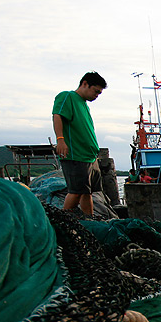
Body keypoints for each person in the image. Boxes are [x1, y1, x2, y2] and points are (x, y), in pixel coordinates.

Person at [53, 71, 107, 215]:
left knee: (86, 192)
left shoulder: (84, 105)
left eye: (99, 93)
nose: (96, 96)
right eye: (95, 91)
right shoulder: (67, 96)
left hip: (89, 156)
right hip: (75, 155)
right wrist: (60, 140)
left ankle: (89, 220)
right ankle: (65, 223)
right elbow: (57, 115)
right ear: (85, 84)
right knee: (76, 192)